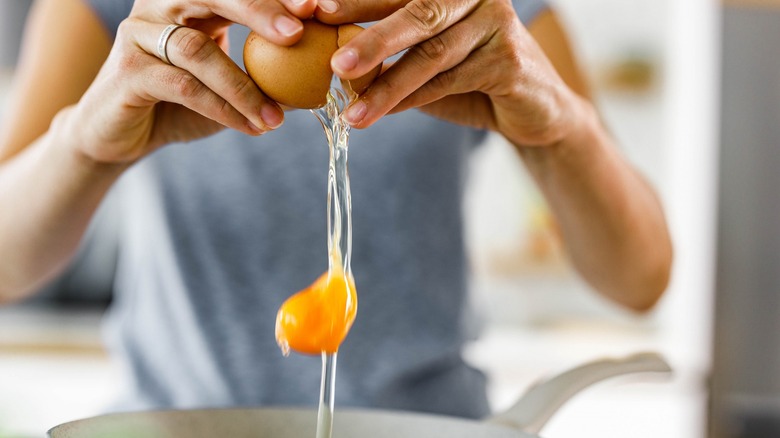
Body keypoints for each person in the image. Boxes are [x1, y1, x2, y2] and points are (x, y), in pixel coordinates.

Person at [0, 0, 672, 419]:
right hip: (180, 421)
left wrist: (562, 131)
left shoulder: (480, 10)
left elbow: (638, 277)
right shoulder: (120, 7)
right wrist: (84, 144)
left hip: (422, 424)